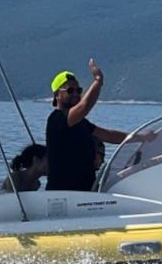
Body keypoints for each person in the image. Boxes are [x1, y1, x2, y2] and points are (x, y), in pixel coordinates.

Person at [45, 60, 139, 191]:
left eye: (78, 90)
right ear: (57, 95)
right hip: (63, 194)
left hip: (87, 195)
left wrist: (138, 138)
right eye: (70, 90)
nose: (76, 94)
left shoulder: (81, 123)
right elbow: (85, 106)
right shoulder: (57, 120)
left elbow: (108, 135)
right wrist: (98, 80)